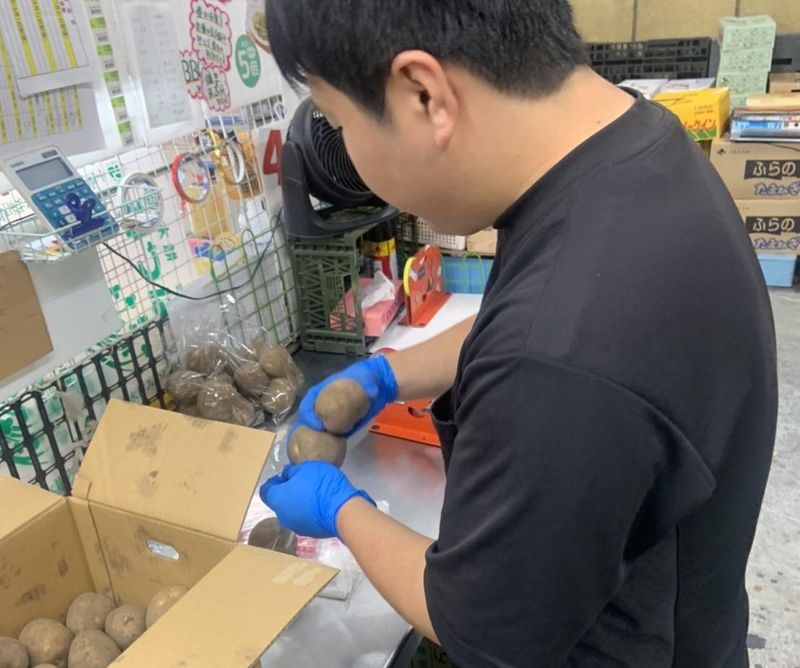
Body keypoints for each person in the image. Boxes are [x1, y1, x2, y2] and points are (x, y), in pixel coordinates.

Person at [260, 2, 779, 666]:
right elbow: (532, 309)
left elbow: (483, 627)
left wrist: (339, 509)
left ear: (424, 94)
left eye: (339, 124)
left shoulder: (558, 362)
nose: (352, 162)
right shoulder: (629, 148)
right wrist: (388, 375)